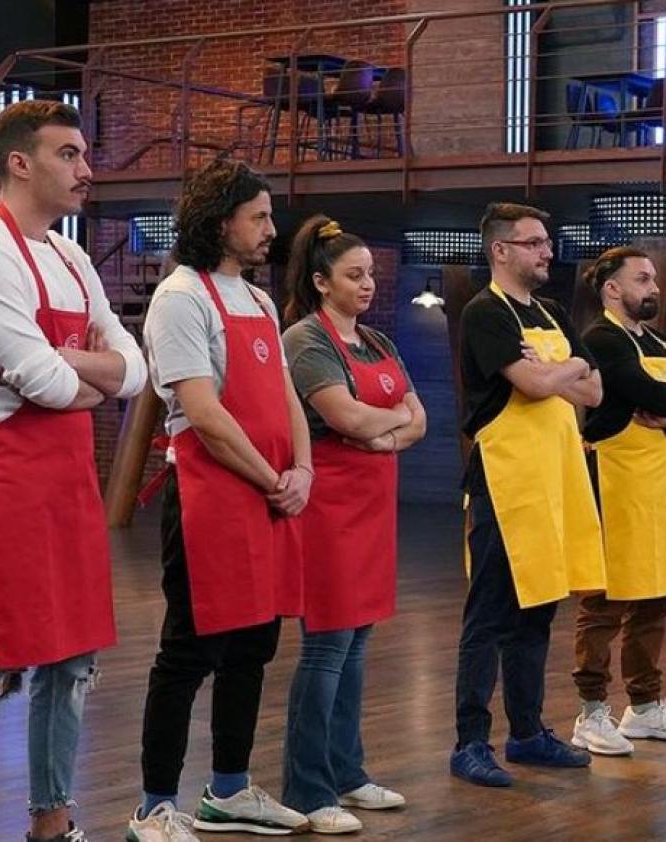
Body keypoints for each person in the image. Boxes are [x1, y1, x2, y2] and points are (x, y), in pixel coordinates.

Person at [128, 158, 311, 841]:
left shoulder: (258, 300)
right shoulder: (181, 297)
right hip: (211, 496)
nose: (270, 229)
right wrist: (273, 478)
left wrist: (304, 470)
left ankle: (229, 790)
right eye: (258, 216)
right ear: (220, 220)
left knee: (254, 646)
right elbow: (203, 413)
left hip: (270, 495)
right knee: (188, 652)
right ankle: (153, 808)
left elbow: (287, 396)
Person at [0, 99, 146, 842]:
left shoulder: (75, 259)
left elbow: (136, 371)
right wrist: (87, 376)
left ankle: (52, 824)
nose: (87, 170)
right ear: (20, 163)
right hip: (5, 481)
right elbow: (46, 384)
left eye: (84, 154)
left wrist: (69, 366)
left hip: (69, 483)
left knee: (72, 657)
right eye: (70, 155)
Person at [451, 202, 605, 787]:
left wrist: (557, 369)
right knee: (488, 616)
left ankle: (527, 732)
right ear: (500, 250)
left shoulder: (552, 312)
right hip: (504, 481)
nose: (547, 251)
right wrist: (566, 368)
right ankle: (470, 742)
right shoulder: (485, 312)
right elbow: (537, 384)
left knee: (538, 610)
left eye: (546, 241)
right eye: (534, 242)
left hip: (555, 479)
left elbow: (593, 392)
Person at [281, 216, 426, 833]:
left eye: (370, 275)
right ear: (321, 282)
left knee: (358, 644)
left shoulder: (378, 340)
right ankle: (308, 789)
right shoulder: (305, 340)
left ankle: (347, 772)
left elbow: (419, 417)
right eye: (354, 275)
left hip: (373, 505)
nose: (368, 285)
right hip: (329, 509)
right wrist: (386, 422)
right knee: (326, 648)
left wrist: (384, 434)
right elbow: (346, 417)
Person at [570, 247, 666, 756]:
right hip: (617, 481)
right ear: (612, 289)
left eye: (653, 279)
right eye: (643, 279)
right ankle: (591, 711)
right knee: (606, 600)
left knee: (657, 596)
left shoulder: (660, 341)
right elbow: (645, 392)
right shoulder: (600, 340)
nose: (654, 288)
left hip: (665, 482)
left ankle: (645, 705)